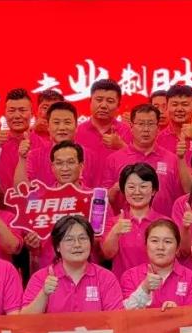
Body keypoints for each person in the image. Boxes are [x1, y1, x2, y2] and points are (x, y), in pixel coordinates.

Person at [21, 140, 105, 270]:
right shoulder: (38, 200)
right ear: (52, 167)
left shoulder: (97, 199)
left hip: (88, 272)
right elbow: (31, 245)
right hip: (49, 272)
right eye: (59, 163)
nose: (65, 168)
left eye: (70, 162)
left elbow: (106, 248)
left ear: (81, 166)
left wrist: (96, 240)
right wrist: (32, 244)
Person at [102, 104, 190, 216]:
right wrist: (115, 188)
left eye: (151, 124)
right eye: (141, 124)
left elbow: (182, 199)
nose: (146, 129)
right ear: (131, 127)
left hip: (162, 225)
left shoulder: (172, 160)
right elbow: (104, 200)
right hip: (125, 224)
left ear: (158, 128)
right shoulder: (114, 159)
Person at [100, 163, 165, 278]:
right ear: (123, 190)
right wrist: (115, 232)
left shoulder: (165, 223)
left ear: (154, 190)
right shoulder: (114, 222)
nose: (137, 192)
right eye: (131, 187)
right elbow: (107, 255)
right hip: (122, 286)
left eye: (143, 186)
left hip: (155, 284)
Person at [15, 101, 99, 188]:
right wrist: (22, 158)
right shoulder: (34, 156)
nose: (62, 128)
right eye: (56, 122)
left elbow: (100, 190)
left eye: (67, 122)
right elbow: (21, 190)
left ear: (76, 126)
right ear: (48, 126)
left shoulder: (91, 157)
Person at [75, 79, 132, 184]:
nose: (103, 105)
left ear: (118, 105)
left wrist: (122, 146)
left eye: (110, 101)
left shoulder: (127, 131)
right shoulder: (77, 131)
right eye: (99, 100)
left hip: (116, 191)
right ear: (90, 101)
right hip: (83, 191)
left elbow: (138, 164)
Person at [0, 88, 47, 192]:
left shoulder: (44, 145)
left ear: (32, 114)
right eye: (11, 111)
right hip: (2, 201)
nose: (17, 116)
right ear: (5, 114)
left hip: (36, 200)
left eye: (22, 110)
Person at [156, 84, 192, 155]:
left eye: (185, 104)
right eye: (174, 104)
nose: (179, 109)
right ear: (166, 108)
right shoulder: (158, 139)